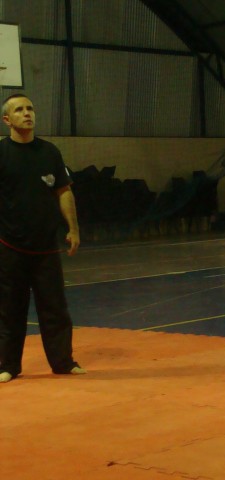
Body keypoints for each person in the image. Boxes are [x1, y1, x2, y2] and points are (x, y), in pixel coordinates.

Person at [0, 93, 85, 383]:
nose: (27, 114)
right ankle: (8, 365)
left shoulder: (50, 152)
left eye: (30, 108)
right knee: (10, 309)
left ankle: (63, 362)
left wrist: (73, 228)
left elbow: (64, 191)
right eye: (19, 110)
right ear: (7, 119)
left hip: (46, 246)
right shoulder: (2, 153)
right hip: (10, 246)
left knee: (55, 308)